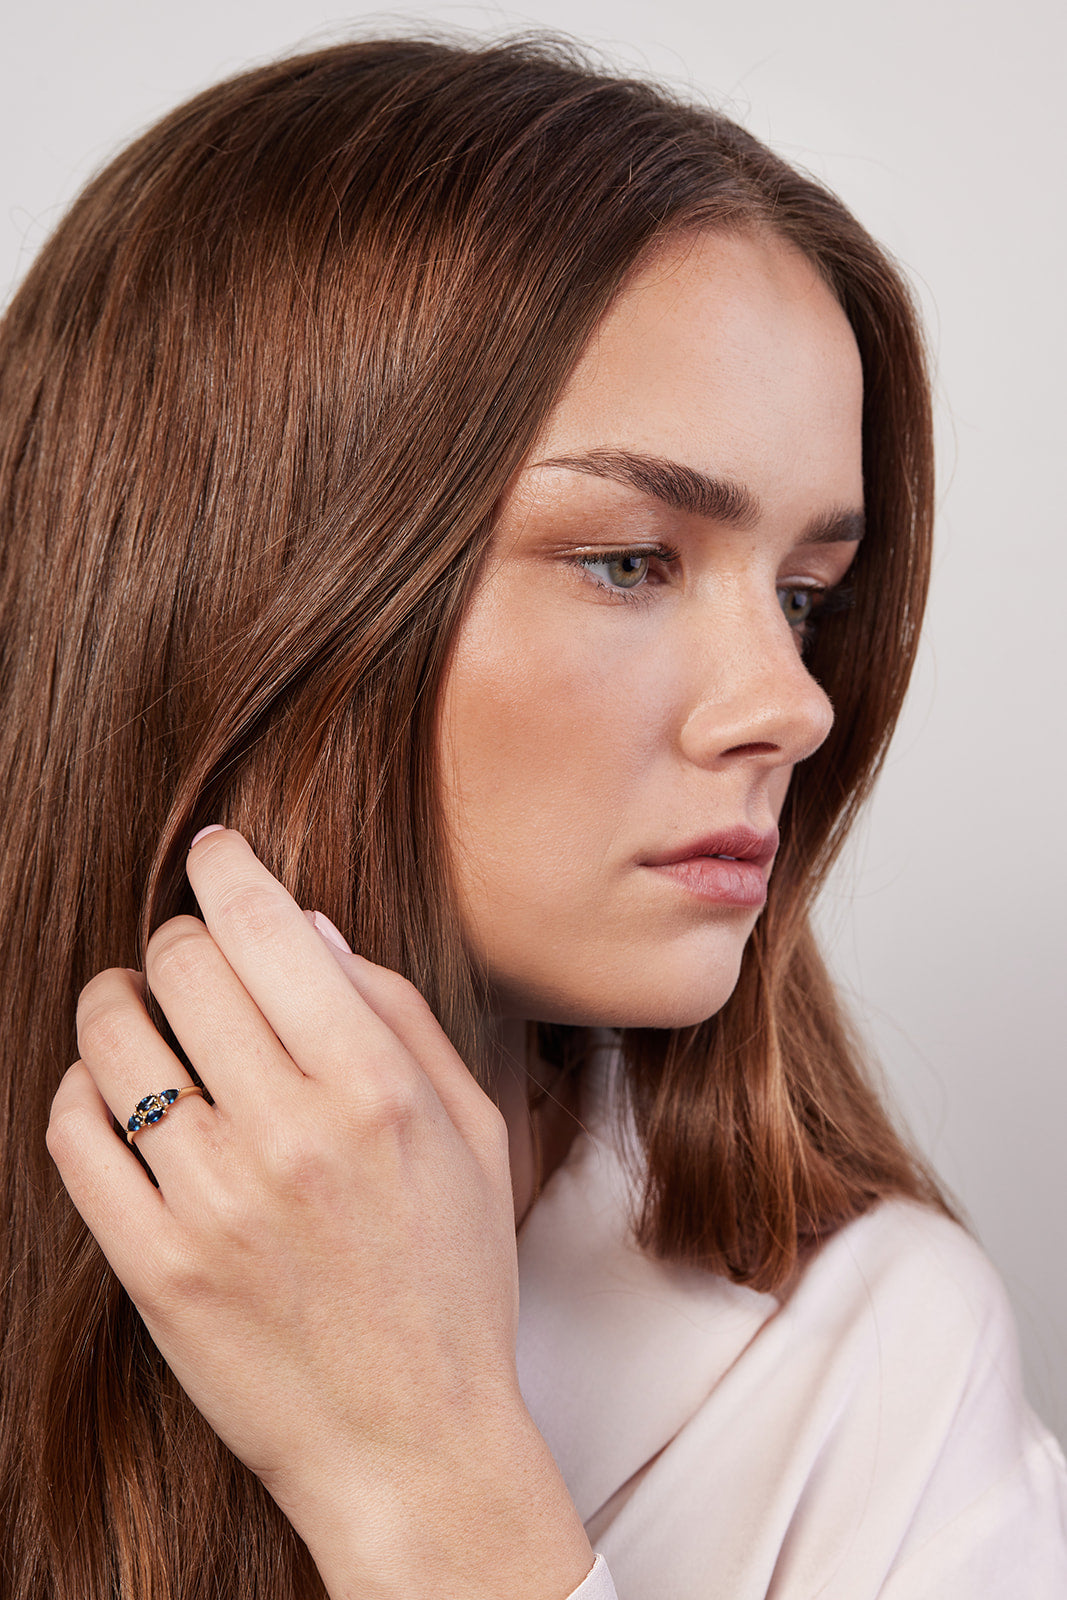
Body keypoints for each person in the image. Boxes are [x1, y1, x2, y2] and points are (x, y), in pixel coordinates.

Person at [0, 34, 1063, 1600]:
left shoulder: (876, 1363)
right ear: (242, 590)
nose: (794, 705)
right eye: (632, 560)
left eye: (807, 596)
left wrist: (430, 1484)